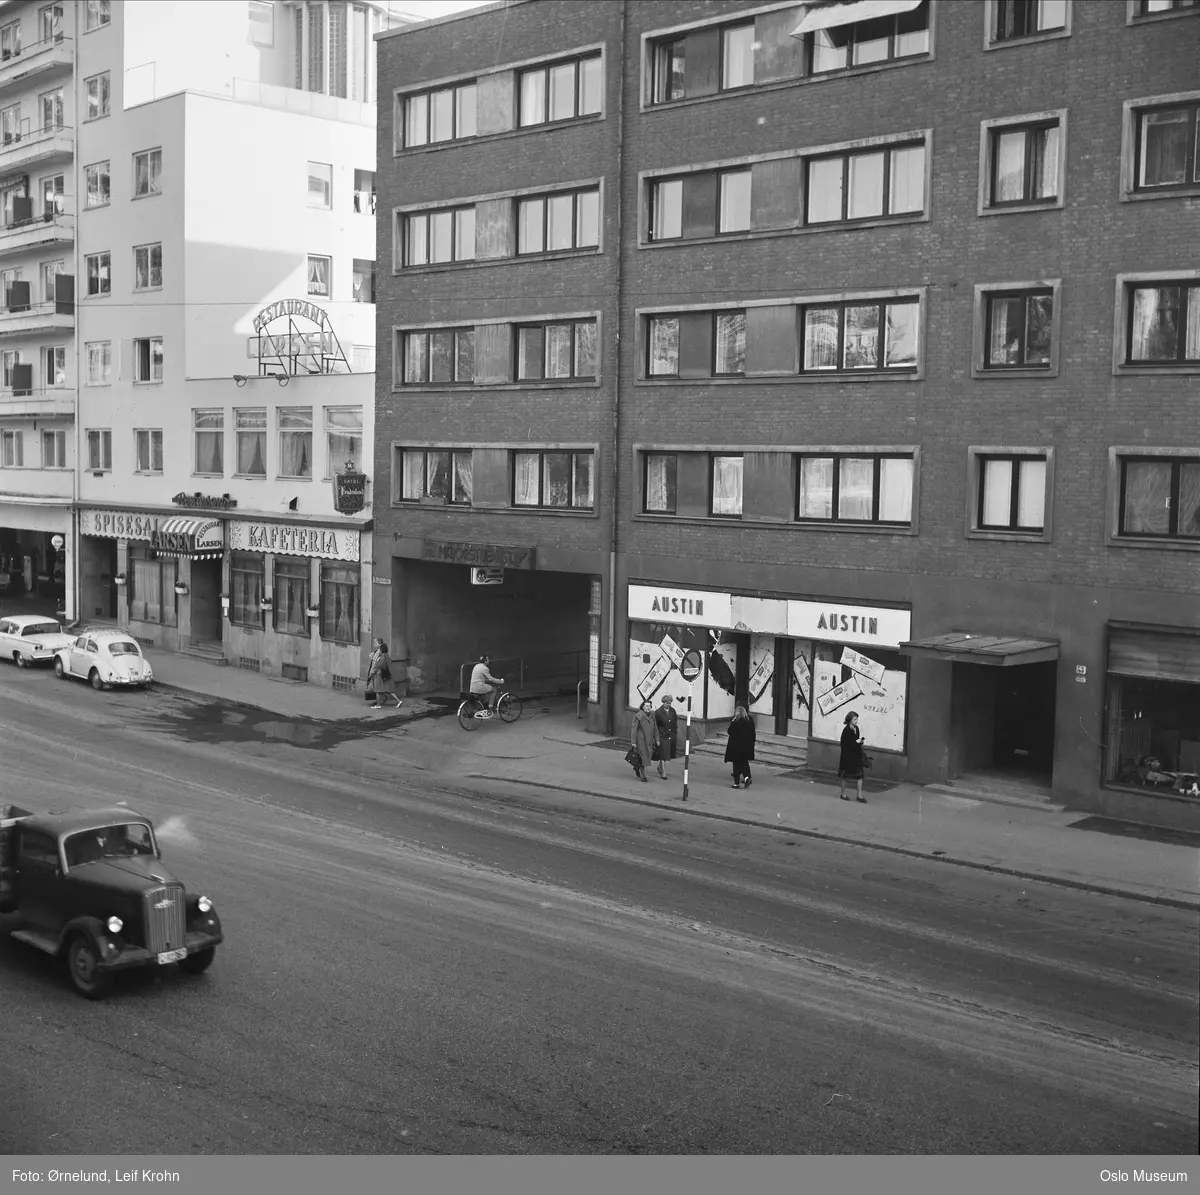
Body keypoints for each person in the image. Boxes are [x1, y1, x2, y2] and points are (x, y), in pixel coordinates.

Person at [725, 705, 756, 789]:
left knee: (736, 764)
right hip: (746, 747)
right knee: (744, 763)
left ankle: (736, 783)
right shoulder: (749, 722)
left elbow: (730, 731)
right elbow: (753, 734)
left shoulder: (736, 722)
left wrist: (732, 722)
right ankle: (746, 778)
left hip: (736, 747)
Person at [839, 710, 867, 803]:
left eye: (857, 719)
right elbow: (844, 745)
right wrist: (856, 742)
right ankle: (843, 794)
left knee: (860, 776)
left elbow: (855, 742)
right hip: (847, 757)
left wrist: (860, 742)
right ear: (850, 720)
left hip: (856, 756)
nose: (856, 721)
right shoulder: (846, 731)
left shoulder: (856, 729)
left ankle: (859, 796)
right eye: (854, 719)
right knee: (844, 776)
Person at [368, 639, 402, 709]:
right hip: (385, 675)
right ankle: (397, 701)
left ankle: (378, 704)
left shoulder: (383, 656)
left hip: (380, 675)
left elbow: (379, 665)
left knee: (378, 690)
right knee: (387, 691)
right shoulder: (387, 656)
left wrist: (376, 661)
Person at [630, 700, 658, 783]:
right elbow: (634, 729)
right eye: (646, 706)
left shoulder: (652, 716)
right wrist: (633, 742)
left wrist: (657, 739)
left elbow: (655, 728)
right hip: (641, 741)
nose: (648, 708)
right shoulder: (638, 716)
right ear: (642, 707)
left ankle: (636, 767)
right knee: (643, 758)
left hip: (649, 740)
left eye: (649, 706)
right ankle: (643, 776)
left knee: (645, 757)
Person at [653, 694, 679, 779]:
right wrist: (655, 737)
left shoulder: (673, 711)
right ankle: (663, 772)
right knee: (663, 754)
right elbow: (655, 725)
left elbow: (675, 722)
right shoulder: (658, 712)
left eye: (670, 703)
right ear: (663, 702)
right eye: (667, 703)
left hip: (670, 735)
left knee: (666, 753)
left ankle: (659, 767)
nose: (669, 704)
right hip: (662, 735)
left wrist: (675, 733)